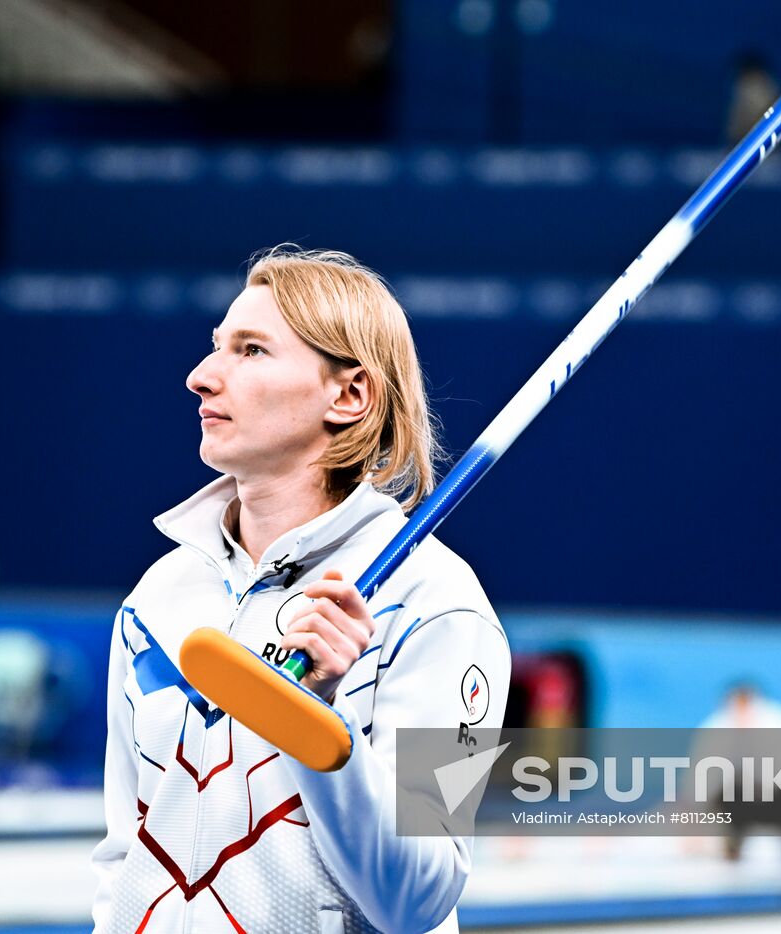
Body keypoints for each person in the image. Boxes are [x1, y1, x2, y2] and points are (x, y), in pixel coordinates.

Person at [91, 247, 512, 934]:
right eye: (216, 347)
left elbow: (418, 898)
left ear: (349, 395)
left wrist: (320, 727)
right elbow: (121, 858)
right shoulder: (158, 597)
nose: (201, 377)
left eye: (251, 351)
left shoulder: (438, 602)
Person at [695, 682, 781, 863]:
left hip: (780, 794)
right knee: (729, 792)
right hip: (738, 798)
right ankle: (733, 845)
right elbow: (702, 779)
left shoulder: (780, 722)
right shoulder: (717, 726)